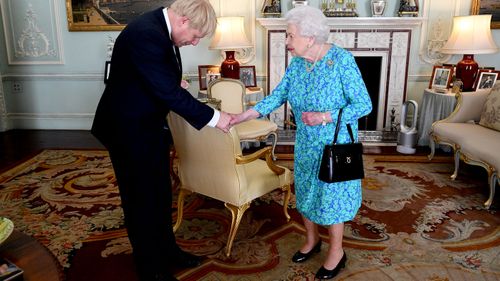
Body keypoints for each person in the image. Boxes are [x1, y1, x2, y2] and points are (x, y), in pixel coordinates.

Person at [91, 1, 232, 280]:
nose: (193, 43)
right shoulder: (147, 33)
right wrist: (216, 118)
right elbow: (167, 92)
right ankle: (150, 269)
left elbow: (155, 77)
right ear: (182, 21)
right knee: (140, 200)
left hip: (148, 125)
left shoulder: (160, 29)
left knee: (159, 193)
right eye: (195, 36)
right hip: (127, 129)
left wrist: (168, 80)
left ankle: (168, 251)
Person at [230, 6, 372, 280]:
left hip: (335, 143)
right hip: (306, 143)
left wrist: (324, 117)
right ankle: (312, 240)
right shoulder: (298, 63)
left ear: (309, 37)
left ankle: (337, 252)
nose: (286, 41)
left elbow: (364, 104)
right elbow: (278, 95)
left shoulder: (341, 61)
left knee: (332, 199)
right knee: (306, 191)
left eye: (290, 35)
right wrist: (244, 114)